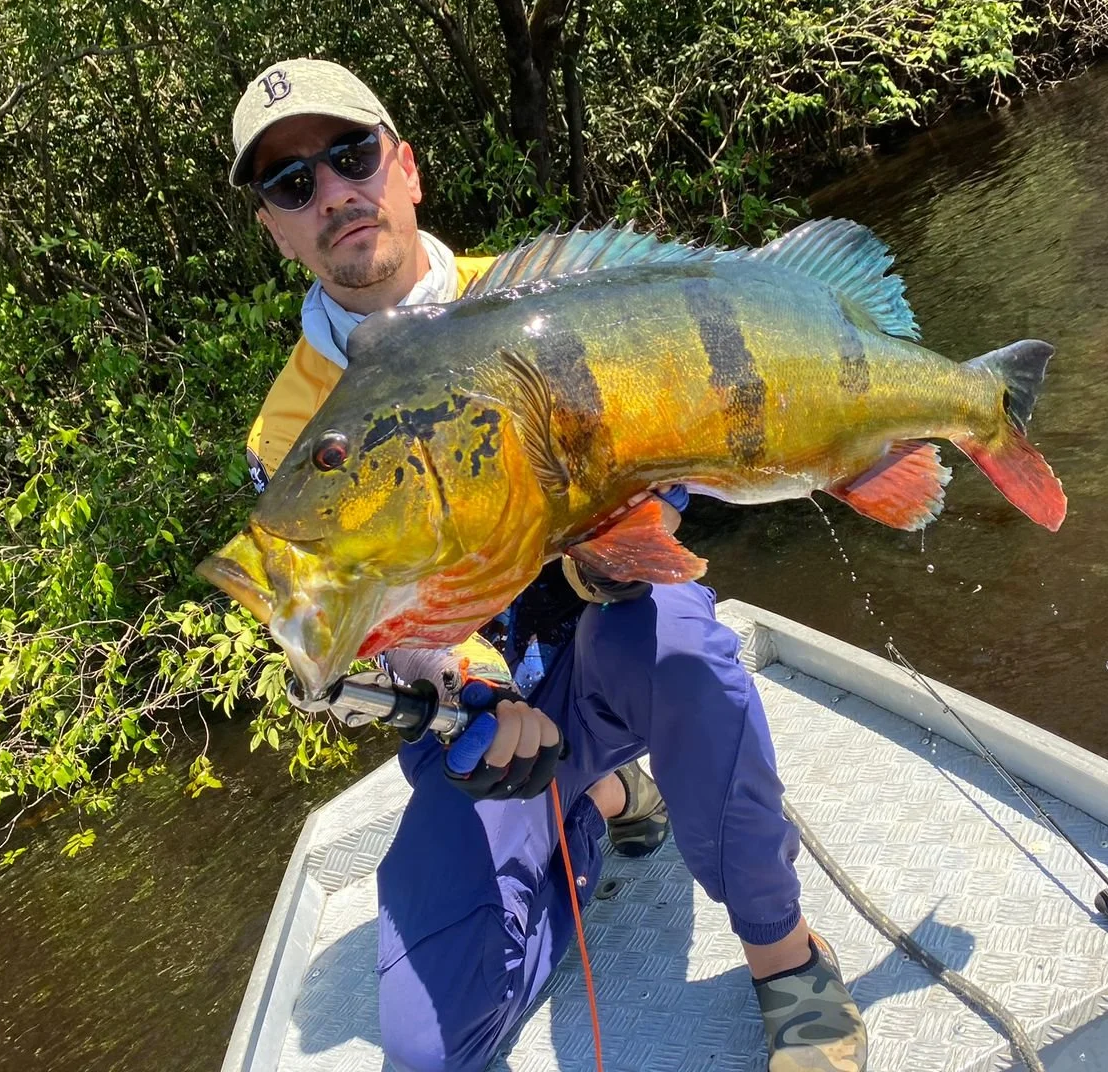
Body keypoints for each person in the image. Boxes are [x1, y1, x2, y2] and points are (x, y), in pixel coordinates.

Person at [227, 58, 867, 1072]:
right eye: (291, 183)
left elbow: (657, 471)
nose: (332, 192)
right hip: (475, 726)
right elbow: (341, 622)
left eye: (349, 155)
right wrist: (467, 691)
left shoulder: (546, 296)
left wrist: (600, 563)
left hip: (601, 642)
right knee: (433, 1051)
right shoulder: (292, 430)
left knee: (681, 649)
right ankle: (603, 798)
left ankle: (787, 963)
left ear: (405, 167)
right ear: (273, 225)